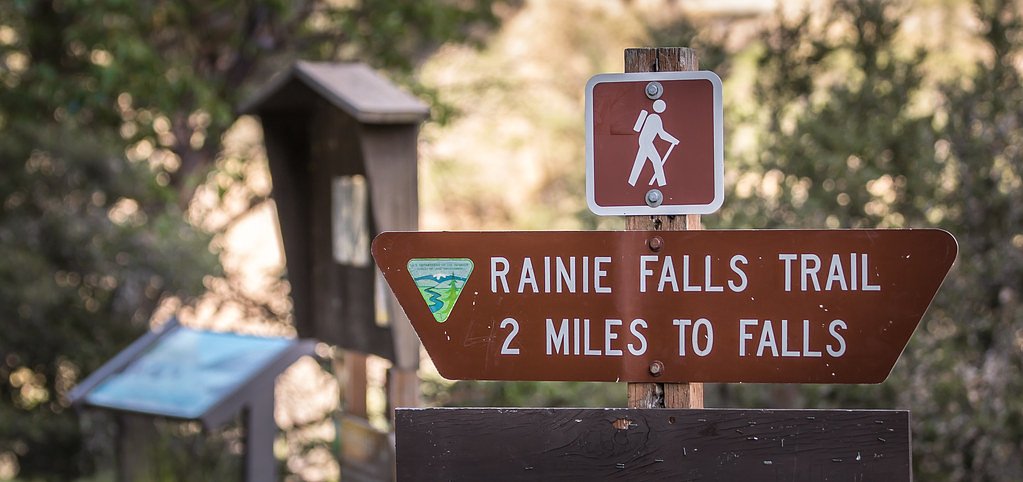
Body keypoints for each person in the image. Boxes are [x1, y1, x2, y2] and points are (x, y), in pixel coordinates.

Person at [628, 99, 679, 187]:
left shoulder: (652, 116)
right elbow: (662, 134)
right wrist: (674, 140)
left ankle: (631, 182)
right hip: (646, 142)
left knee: (639, 161)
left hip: (644, 141)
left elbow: (660, 134)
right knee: (657, 160)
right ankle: (662, 183)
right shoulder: (655, 118)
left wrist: (673, 140)